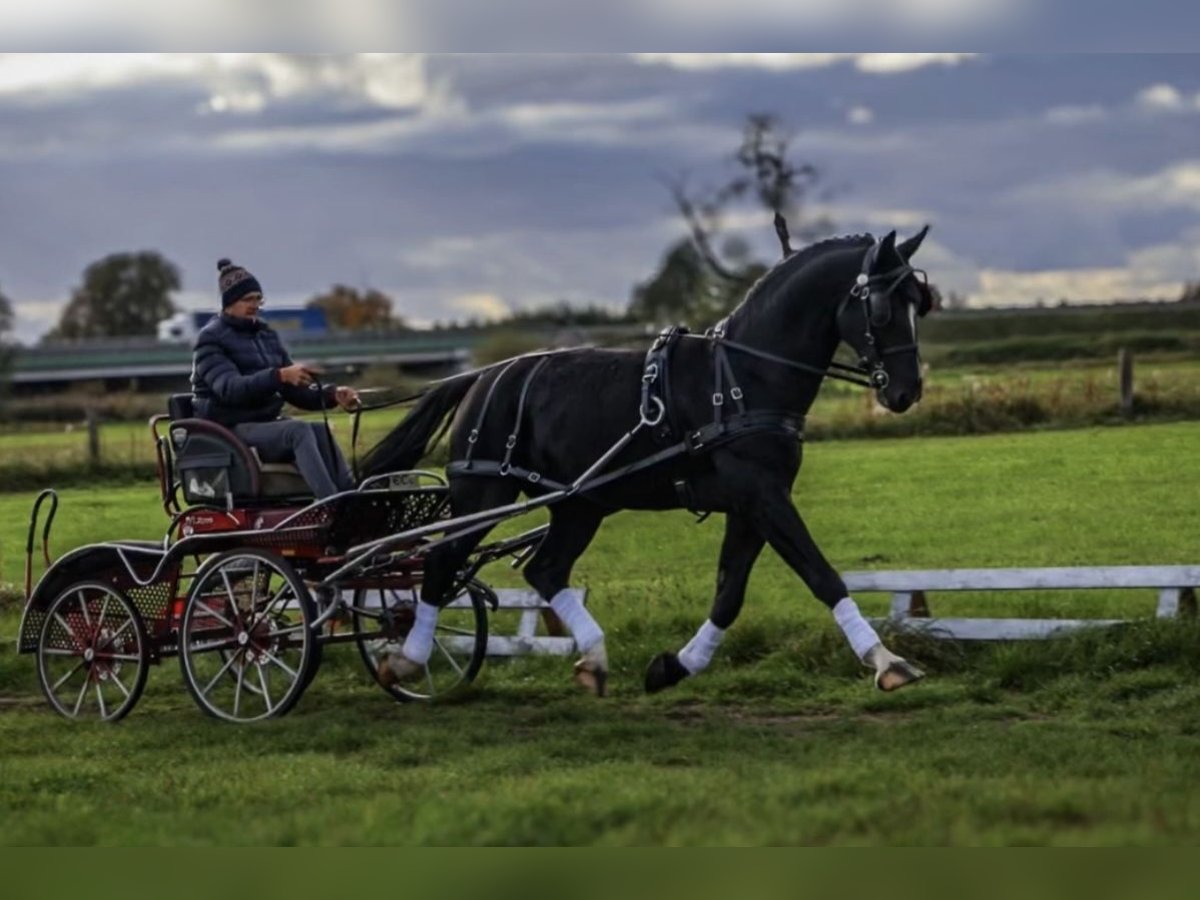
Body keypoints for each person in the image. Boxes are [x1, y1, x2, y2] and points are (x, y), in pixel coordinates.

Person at [191, 258, 360, 499]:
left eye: (258, 299)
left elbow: (294, 390)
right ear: (229, 303)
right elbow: (230, 389)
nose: (255, 305)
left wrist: (332, 395)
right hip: (229, 429)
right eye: (248, 299)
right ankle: (331, 504)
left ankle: (352, 498)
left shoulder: (266, 335)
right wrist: (279, 375)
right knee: (297, 431)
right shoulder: (210, 339)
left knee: (320, 429)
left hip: (262, 424)